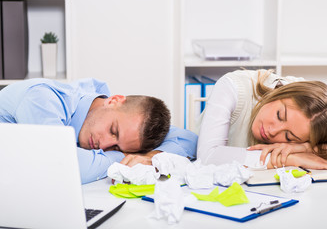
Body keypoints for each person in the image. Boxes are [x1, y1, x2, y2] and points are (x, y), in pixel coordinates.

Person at [0, 78, 198, 184]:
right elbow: (63, 165)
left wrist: (154, 156)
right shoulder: (41, 98)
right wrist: (124, 159)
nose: (104, 145)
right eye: (113, 131)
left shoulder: (110, 115)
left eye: (116, 147)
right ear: (114, 100)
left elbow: (188, 139)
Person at [196, 69, 327, 170]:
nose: (272, 131)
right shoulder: (232, 86)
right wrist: (289, 159)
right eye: (279, 115)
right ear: (281, 93)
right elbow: (208, 156)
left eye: (289, 137)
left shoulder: (325, 113)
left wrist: (310, 148)